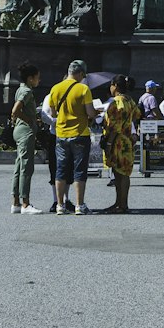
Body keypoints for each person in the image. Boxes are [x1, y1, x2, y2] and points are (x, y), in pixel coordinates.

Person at [49, 59, 98, 215]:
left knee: (61, 170)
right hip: (80, 134)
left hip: (61, 134)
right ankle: (79, 205)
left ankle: (60, 206)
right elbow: (90, 113)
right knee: (79, 171)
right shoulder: (83, 89)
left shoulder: (55, 88)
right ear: (81, 73)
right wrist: (95, 113)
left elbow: (53, 113)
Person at [101, 75, 141, 214]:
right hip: (127, 140)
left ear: (115, 86)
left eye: (111, 85)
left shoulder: (116, 102)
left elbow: (114, 126)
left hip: (117, 141)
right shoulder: (129, 100)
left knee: (120, 174)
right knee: (123, 173)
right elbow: (137, 115)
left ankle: (122, 205)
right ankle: (120, 203)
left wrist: (109, 143)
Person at [10, 62, 44, 215]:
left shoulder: (20, 89)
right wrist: (29, 120)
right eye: (37, 78)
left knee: (19, 167)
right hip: (26, 132)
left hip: (19, 130)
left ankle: (16, 203)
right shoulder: (27, 91)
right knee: (26, 167)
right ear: (31, 79)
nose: (39, 80)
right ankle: (25, 204)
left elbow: (14, 113)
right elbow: (15, 110)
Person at [40, 92, 73, 214]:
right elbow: (44, 115)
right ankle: (56, 200)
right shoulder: (50, 96)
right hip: (55, 134)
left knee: (69, 167)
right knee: (54, 167)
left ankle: (66, 199)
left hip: (70, 134)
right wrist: (56, 121)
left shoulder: (73, 95)